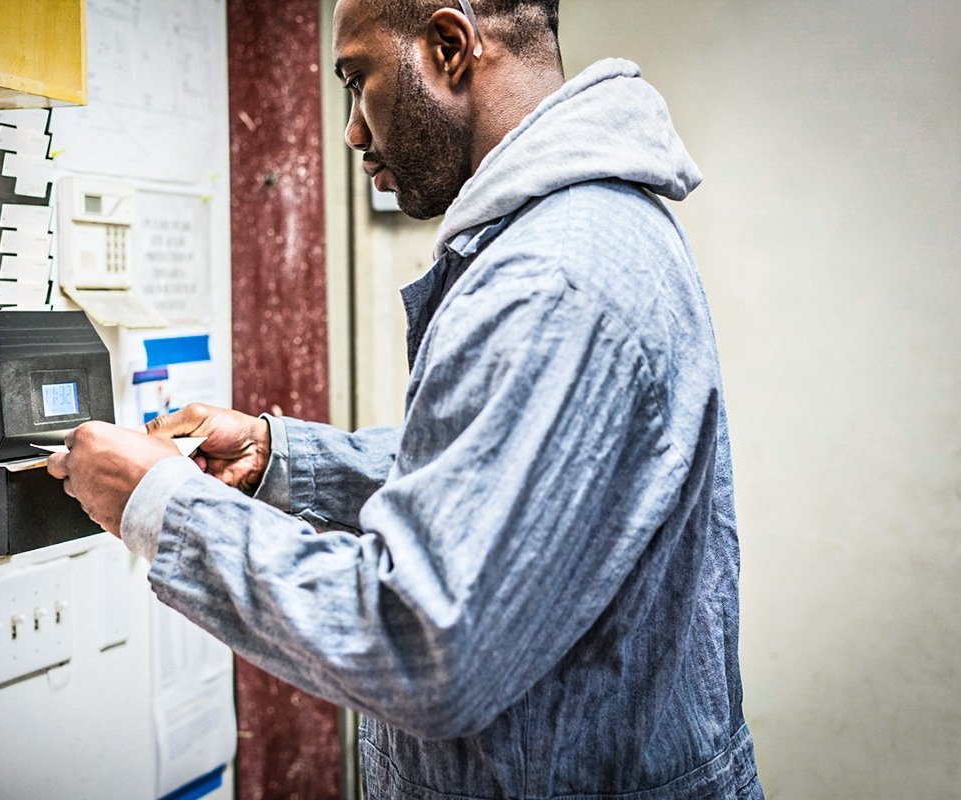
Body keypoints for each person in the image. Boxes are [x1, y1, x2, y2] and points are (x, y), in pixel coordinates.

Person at [47, 0, 764, 797]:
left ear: (451, 46)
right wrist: (284, 458)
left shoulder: (551, 279)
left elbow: (425, 647)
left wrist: (160, 504)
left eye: (358, 80)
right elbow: (506, 471)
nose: (353, 130)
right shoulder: (580, 231)